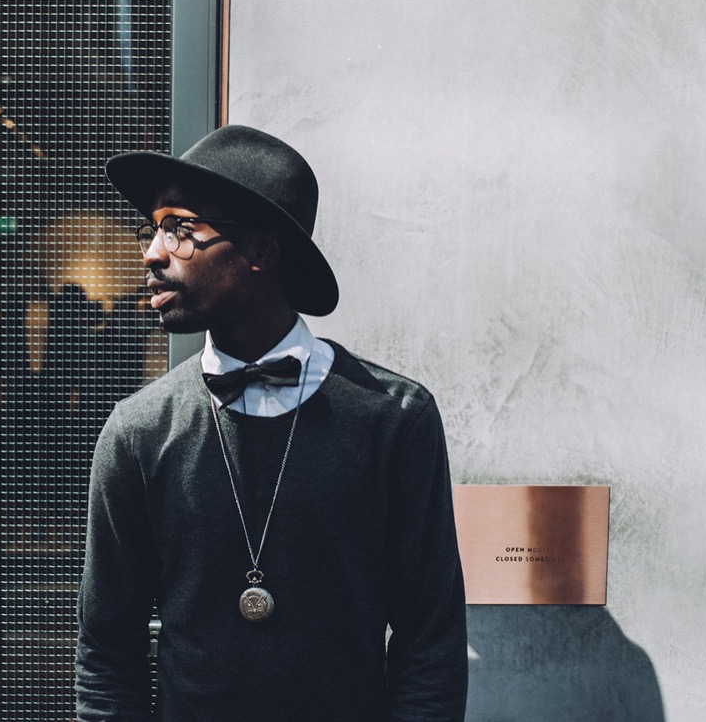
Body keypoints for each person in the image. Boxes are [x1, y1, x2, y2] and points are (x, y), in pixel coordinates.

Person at [75, 124, 468, 721]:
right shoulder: (138, 432)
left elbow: (430, 645)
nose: (152, 253)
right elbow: (107, 656)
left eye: (179, 227)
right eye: (152, 228)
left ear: (262, 251)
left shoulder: (394, 419)